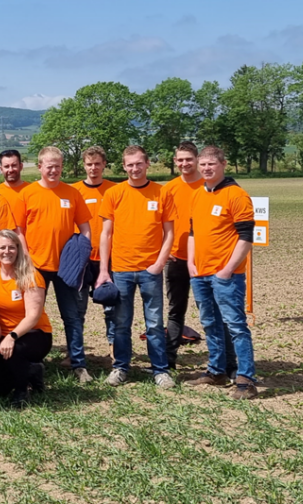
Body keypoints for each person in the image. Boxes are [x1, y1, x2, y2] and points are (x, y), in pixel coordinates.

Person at [96, 146, 176, 389]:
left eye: (139, 163)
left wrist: (159, 264)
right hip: (121, 270)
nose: (134, 168)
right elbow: (105, 234)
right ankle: (120, 367)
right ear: (124, 166)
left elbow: (169, 233)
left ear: (147, 163)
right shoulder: (114, 193)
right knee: (121, 323)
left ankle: (160, 370)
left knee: (154, 324)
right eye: (130, 164)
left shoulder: (161, 193)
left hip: (151, 270)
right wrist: (104, 270)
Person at [186, 146, 257, 399]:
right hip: (200, 273)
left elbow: (246, 238)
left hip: (226, 275)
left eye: (211, 164)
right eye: (203, 164)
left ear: (223, 164)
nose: (206, 168)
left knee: (236, 326)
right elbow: (193, 232)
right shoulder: (198, 194)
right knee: (210, 324)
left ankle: (246, 379)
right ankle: (217, 371)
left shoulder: (236, 195)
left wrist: (227, 270)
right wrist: (191, 263)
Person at [17, 147, 93, 382]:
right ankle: (30, 359)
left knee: (72, 316)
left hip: (66, 268)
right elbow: (19, 231)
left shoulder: (72, 193)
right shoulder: (27, 194)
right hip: (36, 266)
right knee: (32, 315)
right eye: (49, 166)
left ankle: (78, 364)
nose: (54, 170)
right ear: (40, 166)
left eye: (58, 166)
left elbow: (86, 228)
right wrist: (26, 260)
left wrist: (81, 255)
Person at [0, 231, 52, 408]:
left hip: (32, 334)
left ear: (18, 249)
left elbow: (33, 316)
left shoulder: (31, 275)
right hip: (0, 334)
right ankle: (32, 371)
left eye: (11, 247)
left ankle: (22, 391)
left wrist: (12, 336)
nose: (7, 251)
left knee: (14, 350)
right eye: (2, 247)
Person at [160, 141, 206, 370]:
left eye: (189, 159)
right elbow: (160, 223)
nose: (184, 163)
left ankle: (221, 362)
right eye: (180, 160)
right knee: (175, 310)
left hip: (204, 260)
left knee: (209, 311)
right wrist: (163, 250)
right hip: (176, 258)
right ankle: (168, 360)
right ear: (175, 161)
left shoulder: (208, 185)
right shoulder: (169, 189)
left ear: (197, 159)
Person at [72, 147, 118, 357]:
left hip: (109, 258)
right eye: (89, 164)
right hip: (82, 259)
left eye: (97, 163)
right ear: (84, 165)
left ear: (104, 165)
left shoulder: (114, 190)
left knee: (111, 307)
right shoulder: (74, 191)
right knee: (78, 308)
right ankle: (75, 352)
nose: (93, 168)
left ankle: (114, 349)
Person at [0, 149, 27, 222]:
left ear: (21, 166)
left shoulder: (32, 190)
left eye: (14, 165)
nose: (10, 170)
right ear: (1, 169)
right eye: (6, 166)